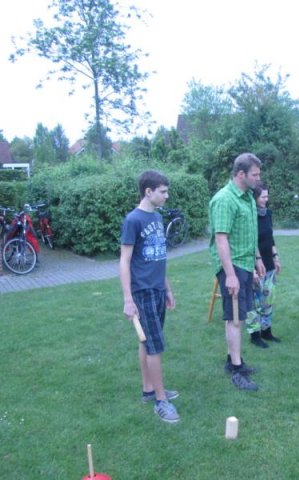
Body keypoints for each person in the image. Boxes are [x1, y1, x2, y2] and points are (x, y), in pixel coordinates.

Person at [119, 170, 180, 423]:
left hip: (156, 289)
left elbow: (158, 257)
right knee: (155, 345)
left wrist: (166, 288)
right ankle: (160, 400)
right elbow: (124, 261)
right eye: (163, 191)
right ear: (149, 191)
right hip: (142, 291)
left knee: (146, 343)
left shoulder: (155, 217)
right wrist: (128, 299)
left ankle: (149, 390)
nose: (167, 195)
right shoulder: (133, 220)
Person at [209, 153, 266, 391]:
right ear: (240, 174)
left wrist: (257, 259)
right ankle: (236, 368)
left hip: (245, 263)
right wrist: (230, 274)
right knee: (234, 318)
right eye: (255, 174)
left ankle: (233, 359)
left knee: (239, 317)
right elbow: (221, 239)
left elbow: (250, 233)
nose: (258, 178)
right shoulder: (225, 199)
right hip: (231, 266)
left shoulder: (248, 198)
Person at [251, 182, 282, 348]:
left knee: (268, 299)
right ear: (255, 197)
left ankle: (266, 331)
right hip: (254, 264)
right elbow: (249, 241)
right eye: (263, 196)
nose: (266, 199)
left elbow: (271, 238)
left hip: (269, 263)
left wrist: (276, 257)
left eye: (267, 196)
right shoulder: (249, 215)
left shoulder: (267, 214)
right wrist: (254, 266)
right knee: (254, 303)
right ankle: (254, 335)